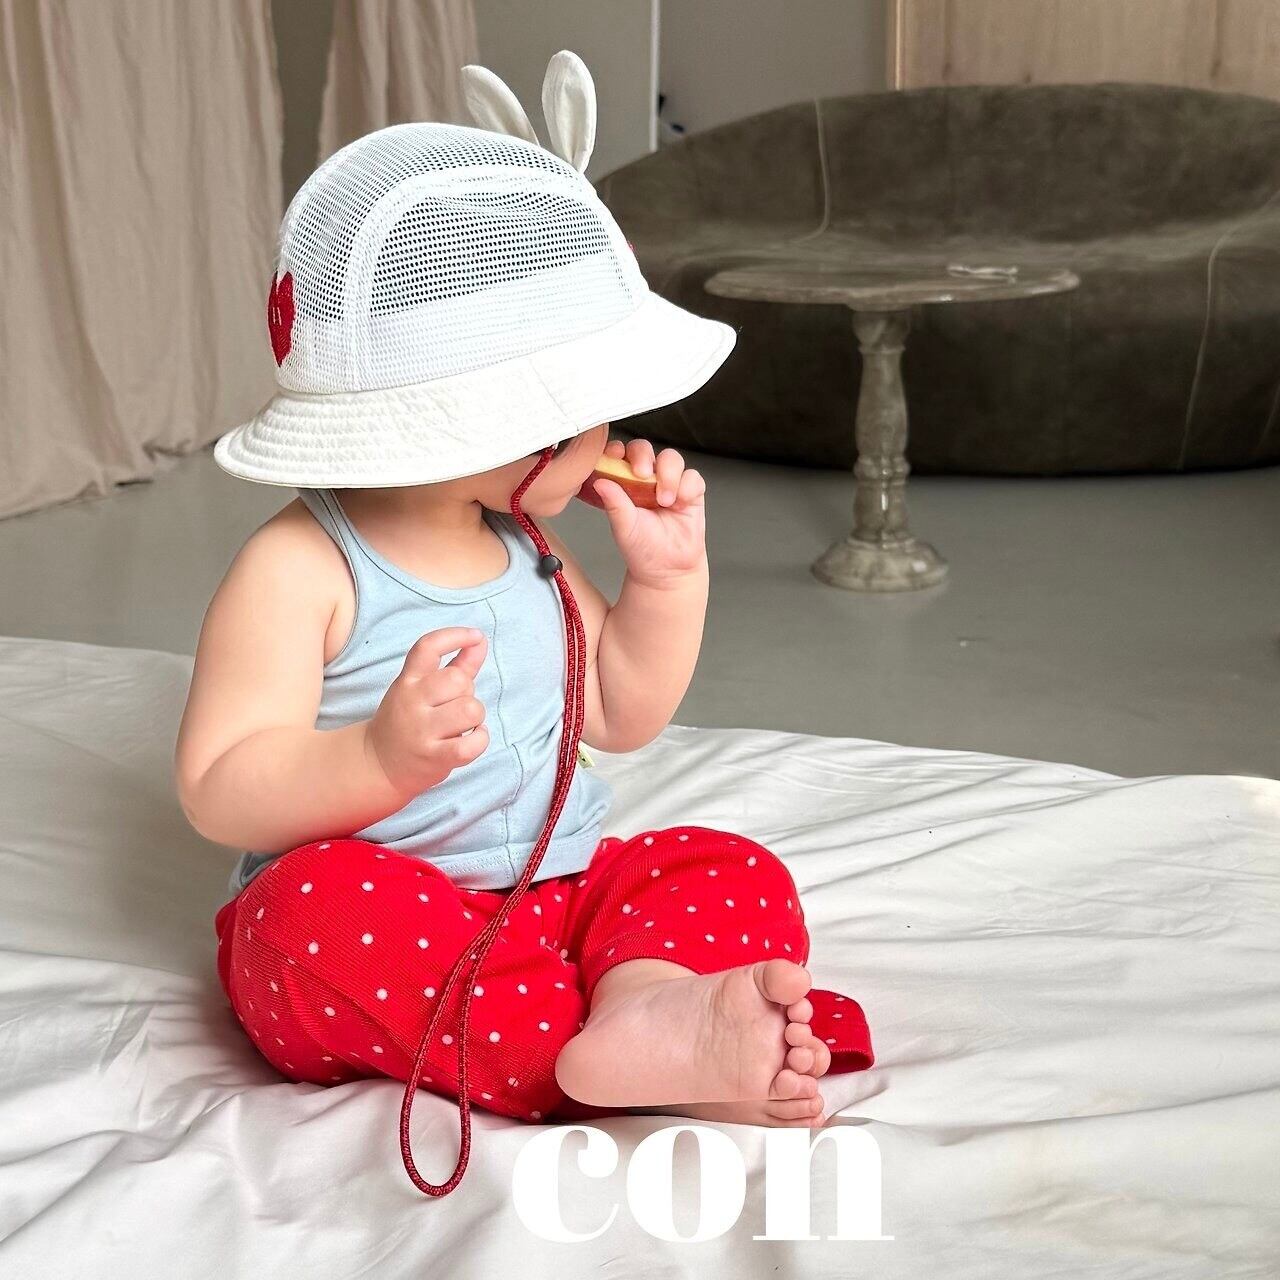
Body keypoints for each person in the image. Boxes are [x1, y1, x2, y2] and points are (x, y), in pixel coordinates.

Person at [176, 50, 871, 1196]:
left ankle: (641, 1005)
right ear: (500, 422)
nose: (610, 433)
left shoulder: (522, 541)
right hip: (389, 908)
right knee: (295, 925)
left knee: (720, 865)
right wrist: (373, 759)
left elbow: (617, 711)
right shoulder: (300, 565)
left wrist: (666, 582)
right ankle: (612, 1044)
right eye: (584, 408)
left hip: (554, 896)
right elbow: (217, 787)